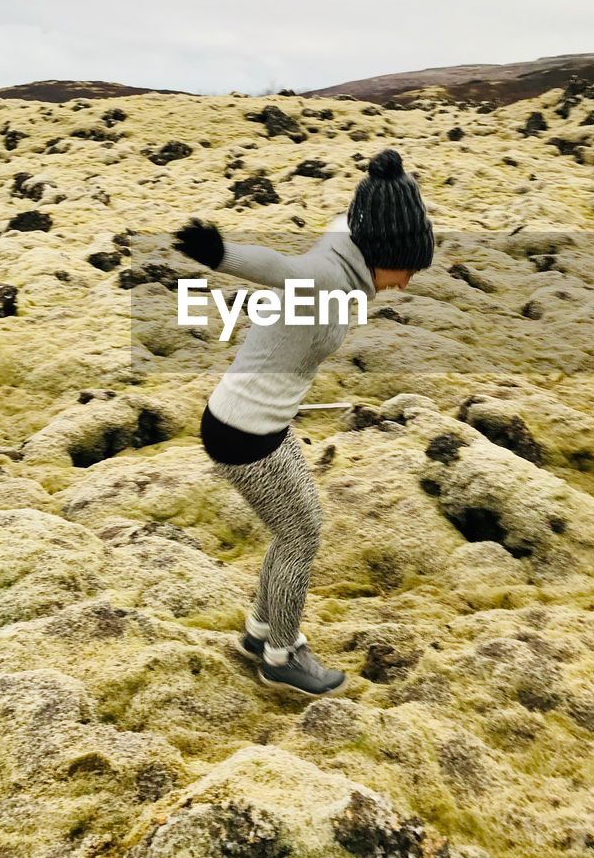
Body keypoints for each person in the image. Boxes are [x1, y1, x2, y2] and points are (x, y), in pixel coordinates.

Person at [172, 148, 434, 697]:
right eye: (406, 268)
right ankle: (282, 657)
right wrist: (217, 253)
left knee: (297, 525)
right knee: (301, 532)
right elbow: (280, 269)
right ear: (380, 253)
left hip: (264, 420)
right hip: (244, 431)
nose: (406, 282)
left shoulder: (350, 244)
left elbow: (358, 217)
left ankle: (261, 631)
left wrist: (392, 190)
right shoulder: (324, 278)